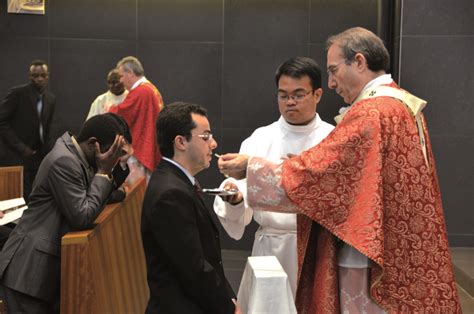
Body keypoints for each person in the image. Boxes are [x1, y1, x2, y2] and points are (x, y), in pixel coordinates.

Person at [217, 27, 461, 313]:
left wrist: (252, 166)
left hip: (363, 252)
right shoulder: (399, 104)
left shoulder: (371, 112)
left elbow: (321, 177)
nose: (332, 82)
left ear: (359, 62)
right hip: (387, 242)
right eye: (283, 95)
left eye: (334, 70)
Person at [213, 57, 334, 297]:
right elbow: (240, 186)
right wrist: (235, 197)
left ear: (317, 94)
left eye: (298, 95)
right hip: (271, 248)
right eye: (283, 95)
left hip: (317, 249)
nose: (290, 102)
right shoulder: (261, 137)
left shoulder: (333, 139)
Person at [0, 113, 127, 313]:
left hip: (40, 270)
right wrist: (103, 171)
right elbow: (82, 216)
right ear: (94, 144)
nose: (113, 158)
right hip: (27, 272)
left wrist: (110, 173)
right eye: (111, 152)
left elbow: (98, 197)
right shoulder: (64, 161)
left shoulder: (76, 156)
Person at [141, 102, 239, 314]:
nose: (213, 144)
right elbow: (193, 268)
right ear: (180, 142)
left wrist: (228, 296)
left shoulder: (177, 181)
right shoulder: (170, 193)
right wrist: (227, 308)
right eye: (206, 137)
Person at [0, 60, 56, 201]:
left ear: (47, 76)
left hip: (39, 156)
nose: (39, 79)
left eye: (43, 75)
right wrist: (20, 147)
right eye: (35, 75)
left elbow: (47, 128)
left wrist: (49, 151)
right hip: (17, 155)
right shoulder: (17, 94)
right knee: (17, 198)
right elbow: (2, 121)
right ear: (30, 76)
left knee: (37, 196)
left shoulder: (50, 98)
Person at [109, 56, 163, 184]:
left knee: (135, 194)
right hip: (149, 146)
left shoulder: (141, 91)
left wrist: (109, 108)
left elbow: (123, 113)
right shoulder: (151, 89)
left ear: (130, 73)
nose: (120, 81)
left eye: (121, 76)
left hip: (139, 152)